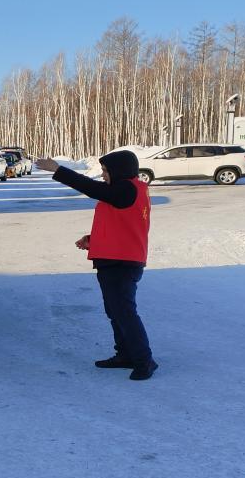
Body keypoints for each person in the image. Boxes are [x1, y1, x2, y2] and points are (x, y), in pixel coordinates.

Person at [35, 152, 157, 381]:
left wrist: (58, 170)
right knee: (116, 313)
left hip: (122, 262)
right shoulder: (127, 191)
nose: (103, 175)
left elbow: (92, 188)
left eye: (106, 171)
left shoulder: (127, 189)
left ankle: (144, 361)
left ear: (119, 171)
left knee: (124, 313)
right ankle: (125, 355)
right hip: (116, 259)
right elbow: (124, 223)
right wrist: (93, 239)